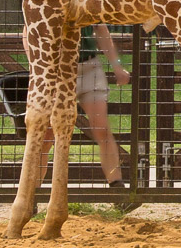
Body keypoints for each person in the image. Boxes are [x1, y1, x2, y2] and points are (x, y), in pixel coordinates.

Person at [37, 25, 132, 197]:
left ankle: (117, 190)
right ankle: (33, 194)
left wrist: (117, 66)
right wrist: (38, 68)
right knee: (47, 135)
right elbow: (29, 31)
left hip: (89, 67)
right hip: (57, 69)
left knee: (102, 130)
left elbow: (101, 29)